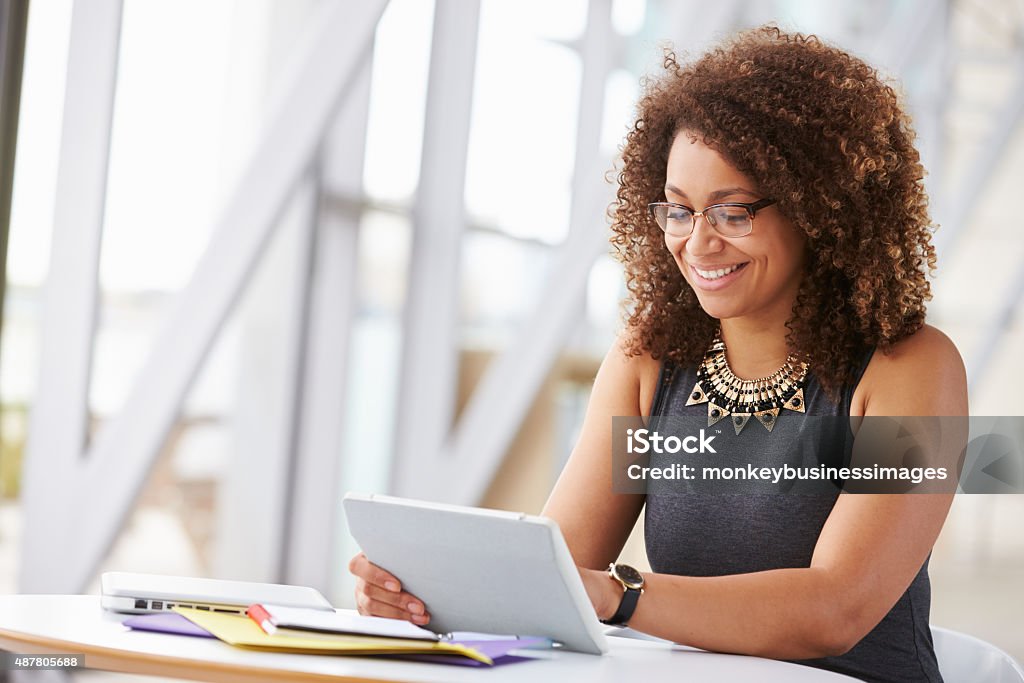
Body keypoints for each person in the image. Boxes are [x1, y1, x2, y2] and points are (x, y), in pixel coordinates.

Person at [349, 25, 967, 683]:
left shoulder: (917, 369)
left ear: (820, 209)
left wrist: (622, 592)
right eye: (678, 210)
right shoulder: (650, 361)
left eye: (732, 212)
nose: (697, 243)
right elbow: (553, 573)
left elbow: (835, 608)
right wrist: (424, 598)